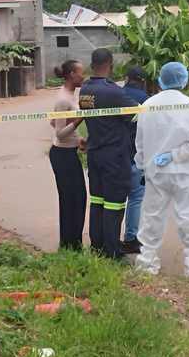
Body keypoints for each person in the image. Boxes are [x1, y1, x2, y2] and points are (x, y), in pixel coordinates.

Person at [133, 62, 189, 278]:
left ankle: (146, 260)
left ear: (161, 80)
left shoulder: (147, 105)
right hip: (185, 171)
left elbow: (139, 142)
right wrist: (177, 155)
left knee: (152, 214)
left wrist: (143, 164)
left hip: (155, 172)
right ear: (183, 80)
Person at [75, 48, 138, 259]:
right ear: (110, 63)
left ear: (92, 65)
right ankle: (113, 253)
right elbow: (135, 115)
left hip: (95, 153)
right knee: (115, 204)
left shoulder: (85, 89)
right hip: (114, 155)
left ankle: (98, 247)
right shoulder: (113, 91)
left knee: (98, 203)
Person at [48, 60, 88, 251]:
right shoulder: (63, 98)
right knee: (71, 200)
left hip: (69, 151)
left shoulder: (72, 95)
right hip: (62, 155)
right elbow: (59, 133)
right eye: (81, 73)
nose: (83, 76)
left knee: (79, 199)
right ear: (72, 74)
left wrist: (78, 139)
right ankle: (69, 244)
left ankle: (74, 242)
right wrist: (82, 117)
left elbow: (54, 122)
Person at [120, 65, 150, 255]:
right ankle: (131, 237)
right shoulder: (148, 102)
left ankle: (110, 237)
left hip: (116, 156)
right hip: (137, 158)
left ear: (126, 79)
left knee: (114, 199)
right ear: (143, 82)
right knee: (135, 199)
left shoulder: (117, 95)